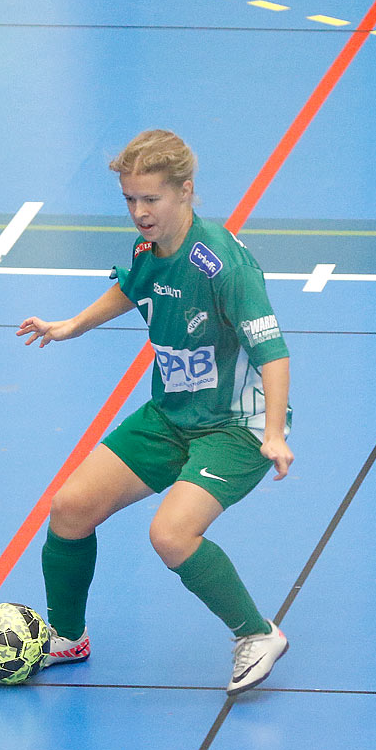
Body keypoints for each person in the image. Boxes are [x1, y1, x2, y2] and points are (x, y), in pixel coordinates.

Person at [17, 129, 294, 693]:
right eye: (129, 200)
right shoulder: (150, 249)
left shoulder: (223, 266)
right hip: (171, 415)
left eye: (151, 199)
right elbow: (133, 286)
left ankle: (257, 634)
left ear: (186, 191)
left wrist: (273, 434)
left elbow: (274, 352)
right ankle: (68, 637)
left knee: (171, 534)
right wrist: (71, 325)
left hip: (237, 427)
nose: (139, 213)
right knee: (69, 509)